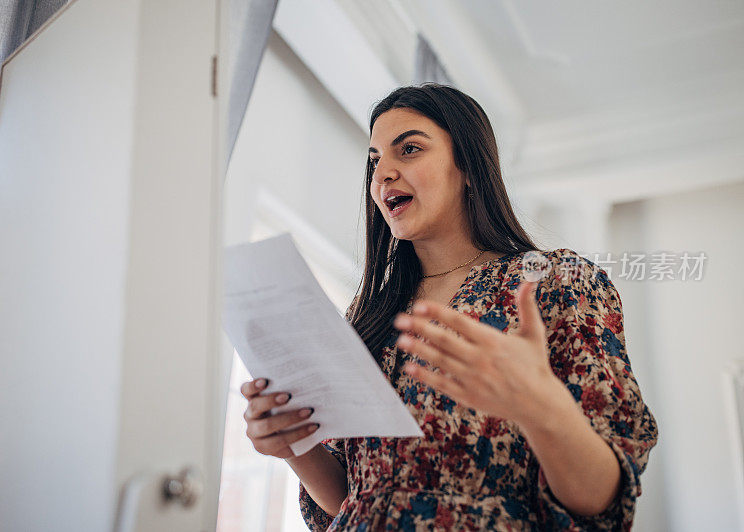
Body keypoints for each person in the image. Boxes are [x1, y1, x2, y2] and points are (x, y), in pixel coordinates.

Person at [239, 83, 658, 530]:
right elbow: (354, 499)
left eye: (410, 149)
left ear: (470, 168)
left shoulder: (555, 284)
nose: (382, 174)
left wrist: (540, 406)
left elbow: (604, 504)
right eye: (374, 161)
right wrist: (294, 446)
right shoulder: (367, 316)